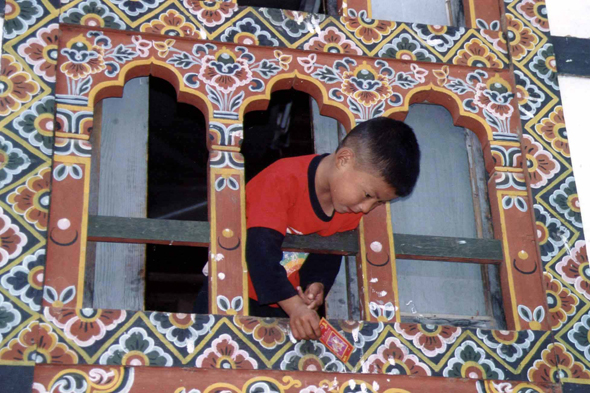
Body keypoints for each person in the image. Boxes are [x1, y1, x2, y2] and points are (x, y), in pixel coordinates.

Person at [245, 116, 420, 340]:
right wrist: (295, 307)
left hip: (286, 309)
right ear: (344, 159)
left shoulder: (347, 209)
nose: (366, 209)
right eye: (368, 195)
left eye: (378, 203)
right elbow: (260, 252)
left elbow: (328, 254)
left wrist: (316, 283)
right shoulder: (281, 180)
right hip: (236, 296)